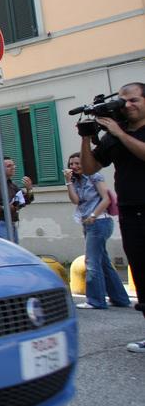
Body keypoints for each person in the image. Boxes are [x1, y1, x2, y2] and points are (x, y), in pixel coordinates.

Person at [79, 82, 145, 352]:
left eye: (134, 100)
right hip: (131, 214)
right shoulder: (113, 137)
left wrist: (117, 131)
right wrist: (85, 137)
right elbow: (90, 166)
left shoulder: (123, 133)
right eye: (123, 101)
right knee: (142, 272)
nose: (127, 106)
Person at [64, 152, 131, 310]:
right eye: (71, 164)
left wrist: (94, 215)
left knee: (92, 262)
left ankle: (95, 300)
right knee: (103, 262)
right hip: (88, 223)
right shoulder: (76, 181)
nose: (74, 166)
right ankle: (120, 299)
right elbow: (75, 200)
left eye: (77, 163)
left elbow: (106, 198)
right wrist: (68, 182)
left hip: (100, 221)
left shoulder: (94, 176)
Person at [0, 157, 34, 243]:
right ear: (0, 168)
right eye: (9, 166)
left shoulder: (12, 185)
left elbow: (26, 200)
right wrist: (4, 208)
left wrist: (29, 190)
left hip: (10, 223)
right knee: (5, 253)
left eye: (13, 165)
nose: (13, 167)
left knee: (13, 252)